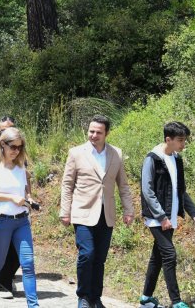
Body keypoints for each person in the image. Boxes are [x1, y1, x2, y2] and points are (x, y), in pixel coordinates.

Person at [59, 115, 134, 308]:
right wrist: (64, 211)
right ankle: (83, 296)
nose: (93, 135)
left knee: (100, 258)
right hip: (82, 212)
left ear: (106, 133)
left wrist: (129, 210)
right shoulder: (76, 153)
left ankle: (95, 297)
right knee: (87, 254)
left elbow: (123, 185)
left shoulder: (116, 153)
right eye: (91, 131)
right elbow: (67, 184)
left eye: (98, 132)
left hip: (106, 213)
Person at [138, 122, 195, 308]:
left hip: (170, 216)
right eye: (180, 140)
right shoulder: (153, 158)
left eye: (184, 140)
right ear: (168, 139)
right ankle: (176, 302)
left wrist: (194, 212)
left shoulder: (177, 159)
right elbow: (147, 191)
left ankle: (146, 299)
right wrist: (161, 217)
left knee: (157, 257)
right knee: (169, 254)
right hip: (157, 217)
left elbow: (181, 190)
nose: (183, 144)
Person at [0, 127, 40, 308]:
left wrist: (29, 199)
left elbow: (23, 191)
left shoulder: (20, 166)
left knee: (28, 263)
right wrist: (10, 197)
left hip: (21, 219)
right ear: (2, 145)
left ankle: (33, 304)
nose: (16, 151)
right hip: (0, 220)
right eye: (13, 147)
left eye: (20, 147)